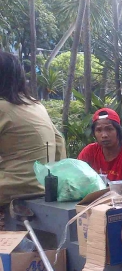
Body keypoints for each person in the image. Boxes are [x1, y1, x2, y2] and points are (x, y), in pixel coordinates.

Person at [0, 50, 66, 206]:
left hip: (9, 193)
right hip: (43, 192)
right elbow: (59, 142)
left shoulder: (2, 108)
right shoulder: (36, 105)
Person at [78, 108, 122, 182]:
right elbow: (76, 180)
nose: (104, 135)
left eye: (109, 129)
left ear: (118, 131)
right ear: (94, 133)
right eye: (99, 130)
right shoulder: (89, 152)